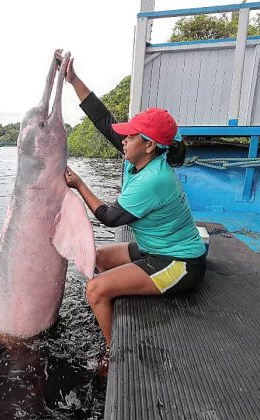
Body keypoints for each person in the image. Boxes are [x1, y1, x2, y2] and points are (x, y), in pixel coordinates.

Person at [61, 56, 207, 350]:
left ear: (150, 144)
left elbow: (109, 217)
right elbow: (103, 121)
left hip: (179, 263)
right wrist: (73, 79)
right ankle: (111, 307)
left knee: (95, 288)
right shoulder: (138, 155)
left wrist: (79, 184)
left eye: (130, 136)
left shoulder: (154, 179)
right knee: (97, 258)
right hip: (154, 247)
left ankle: (112, 351)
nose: (123, 140)